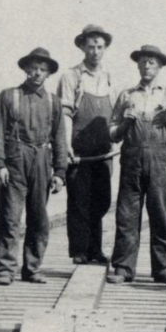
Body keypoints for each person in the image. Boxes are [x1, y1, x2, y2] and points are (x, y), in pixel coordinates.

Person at [107, 44, 166, 284]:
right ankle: (123, 268)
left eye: (152, 62)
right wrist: (123, 124)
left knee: (160, 215)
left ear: (160, 66)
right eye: (143, 62)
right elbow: (112, 133)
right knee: (126, 215)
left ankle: (163, 269)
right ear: (137, 65)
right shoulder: (126, 95)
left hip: (160, 160)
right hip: (131, 159)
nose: (146, 66)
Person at [0, 47, 67, 285]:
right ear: (25, 69)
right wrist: (0, 164)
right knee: (11, 216)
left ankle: (32, 268)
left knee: (39, 218)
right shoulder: (8, 96)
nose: (37, 73)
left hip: (42, 159)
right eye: (33, 68)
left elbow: (60, 138)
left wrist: (60, 171)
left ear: (48, 74)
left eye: (42, 70)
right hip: (15, 160)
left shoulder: (54, 102)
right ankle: (5, 268)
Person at [58, 24, 116, 264]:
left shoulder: (110, 78)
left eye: (100, 47)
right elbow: (65, 113)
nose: (95, 52)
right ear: (82, 46)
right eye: (91, 46)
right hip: (79, 150)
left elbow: (116, 115)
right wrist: (66, 145)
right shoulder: (71, 76)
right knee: (79, 200)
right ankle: (80, 251)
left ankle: (96, 250)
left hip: (104, 151)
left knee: (101, 200)